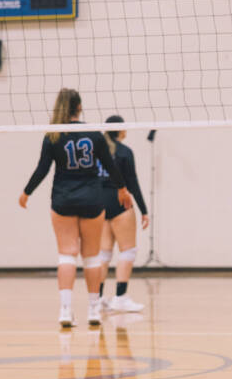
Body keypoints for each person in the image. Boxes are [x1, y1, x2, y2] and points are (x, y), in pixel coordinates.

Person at [20, 89, 132, 328]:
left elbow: (42, 169)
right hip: (92, 198)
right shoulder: (93, 134)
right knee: (91, 257)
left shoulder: (53, 134)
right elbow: (110, 166)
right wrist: (122, 189)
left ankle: (65, 310)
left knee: (66, 255)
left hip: (63, 199)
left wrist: (26, 192)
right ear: (79, 107)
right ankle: (93, 310)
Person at [97, 115, 150, 312]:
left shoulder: (96, 151)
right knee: (127, 250)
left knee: (103, 254)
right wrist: (144, 210)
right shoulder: (125, 152)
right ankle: (120, 297)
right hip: (120, 203)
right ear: (119, 130)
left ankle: (99, 299)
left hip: (99, 205)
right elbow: (132, 184)